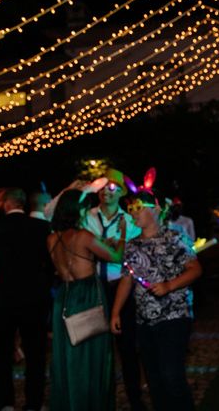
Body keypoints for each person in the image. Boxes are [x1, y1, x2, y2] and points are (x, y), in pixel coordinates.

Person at [45, 169, 144, 410]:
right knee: (94, 353)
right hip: (89, 292)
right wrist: (120, 235)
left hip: (67, 294)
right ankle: (92, 401)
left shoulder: (51, 238)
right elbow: (116, 255)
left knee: (72, 353)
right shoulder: (85, 230)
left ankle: (73, 401)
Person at [111, 191, 202, 411]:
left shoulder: (174, 237)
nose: (134, 212)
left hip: (175, 316)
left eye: (139, 207)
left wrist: (169, 286)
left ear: (156, 209)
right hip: (144, 320)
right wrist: (115, 312)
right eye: (131, 209)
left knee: (171, 375)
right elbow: (126, 279)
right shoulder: (132, 245)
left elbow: (195, 269)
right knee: (154, 379)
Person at [0, 188, 52, 411]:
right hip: (34, 300)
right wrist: (42, 288)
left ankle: (5, 402)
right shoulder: (40, 228)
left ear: (8, 203)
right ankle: (33, 403)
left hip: (1, 301)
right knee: (35, 355)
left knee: (2, 355)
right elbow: (50, 265)